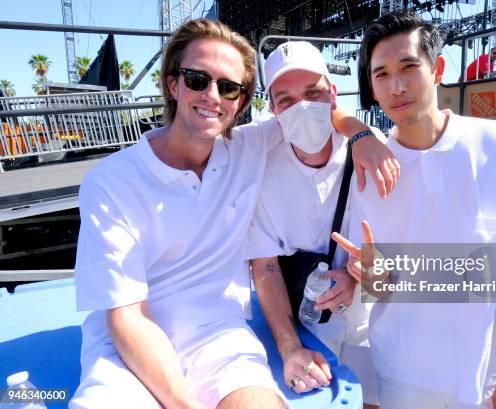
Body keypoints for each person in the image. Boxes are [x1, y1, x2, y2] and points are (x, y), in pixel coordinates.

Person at [70, 19, 398, 409]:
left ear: (240, 102)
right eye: (196, 79)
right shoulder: (111, 182)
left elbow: (319, 108)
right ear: (173, 84)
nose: (212, 96)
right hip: (126, 351)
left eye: (227, 87)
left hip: (221, 335)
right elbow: (127, 318)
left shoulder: (247, 146)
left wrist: (361, 135)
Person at [332, 12, 496, 409]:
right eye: (381, 74)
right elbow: (380, 286)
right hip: (399, 376)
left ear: (437, 68)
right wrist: (368, 274)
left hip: (485, 380)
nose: (397, 86)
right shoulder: (366, 172)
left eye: (408, 67)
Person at [248, 41, 388, 409]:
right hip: (303, 322)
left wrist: (358, 277)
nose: (303, 107)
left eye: (313, 93)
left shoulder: (374, 153)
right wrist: (290, 346)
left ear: (333, 94)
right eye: (286, 99)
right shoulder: (260, 165)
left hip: (369, 321)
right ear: (272, 108)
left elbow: (399, 246)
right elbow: (264, 265)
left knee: (372, 400)